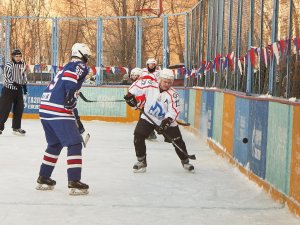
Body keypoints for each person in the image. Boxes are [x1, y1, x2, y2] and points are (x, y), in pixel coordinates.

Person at [36, 43, 92, 195]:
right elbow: (70, 84)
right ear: (82, 55)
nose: (87, 60)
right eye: (87, 57)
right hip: (57, 109)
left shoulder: (66, 67)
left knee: (55, 144)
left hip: (45, 108)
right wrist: (70, 95)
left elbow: (70, 101)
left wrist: (78, 121)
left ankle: (43, 177)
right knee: (74, 143)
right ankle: (74, 181)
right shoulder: (78, 64)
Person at [124, 68, 195, 173]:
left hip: (165, 120)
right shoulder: (150, 84)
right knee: (138, 136)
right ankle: (141, 161)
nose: (166, 84)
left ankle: (185, 161)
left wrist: (167, 122)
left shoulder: (173, 95)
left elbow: (174, 111)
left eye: (169, 82)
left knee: (177, 141)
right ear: (160, 80)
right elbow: (137, 85)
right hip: (148, 117)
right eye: (165, 82)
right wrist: (130, 95)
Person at [0, 49, 27, 135]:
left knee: (19, 108)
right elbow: (7, 78)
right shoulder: (8, 65)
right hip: (8, 90)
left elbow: (23, 75)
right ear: (13, 56)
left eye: (20, 56)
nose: (18, 58)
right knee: (4, 109)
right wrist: (16, 84)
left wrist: (25, 86)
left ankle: (16, 127)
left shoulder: (23, 63)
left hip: (18, 90)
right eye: (16, 56)